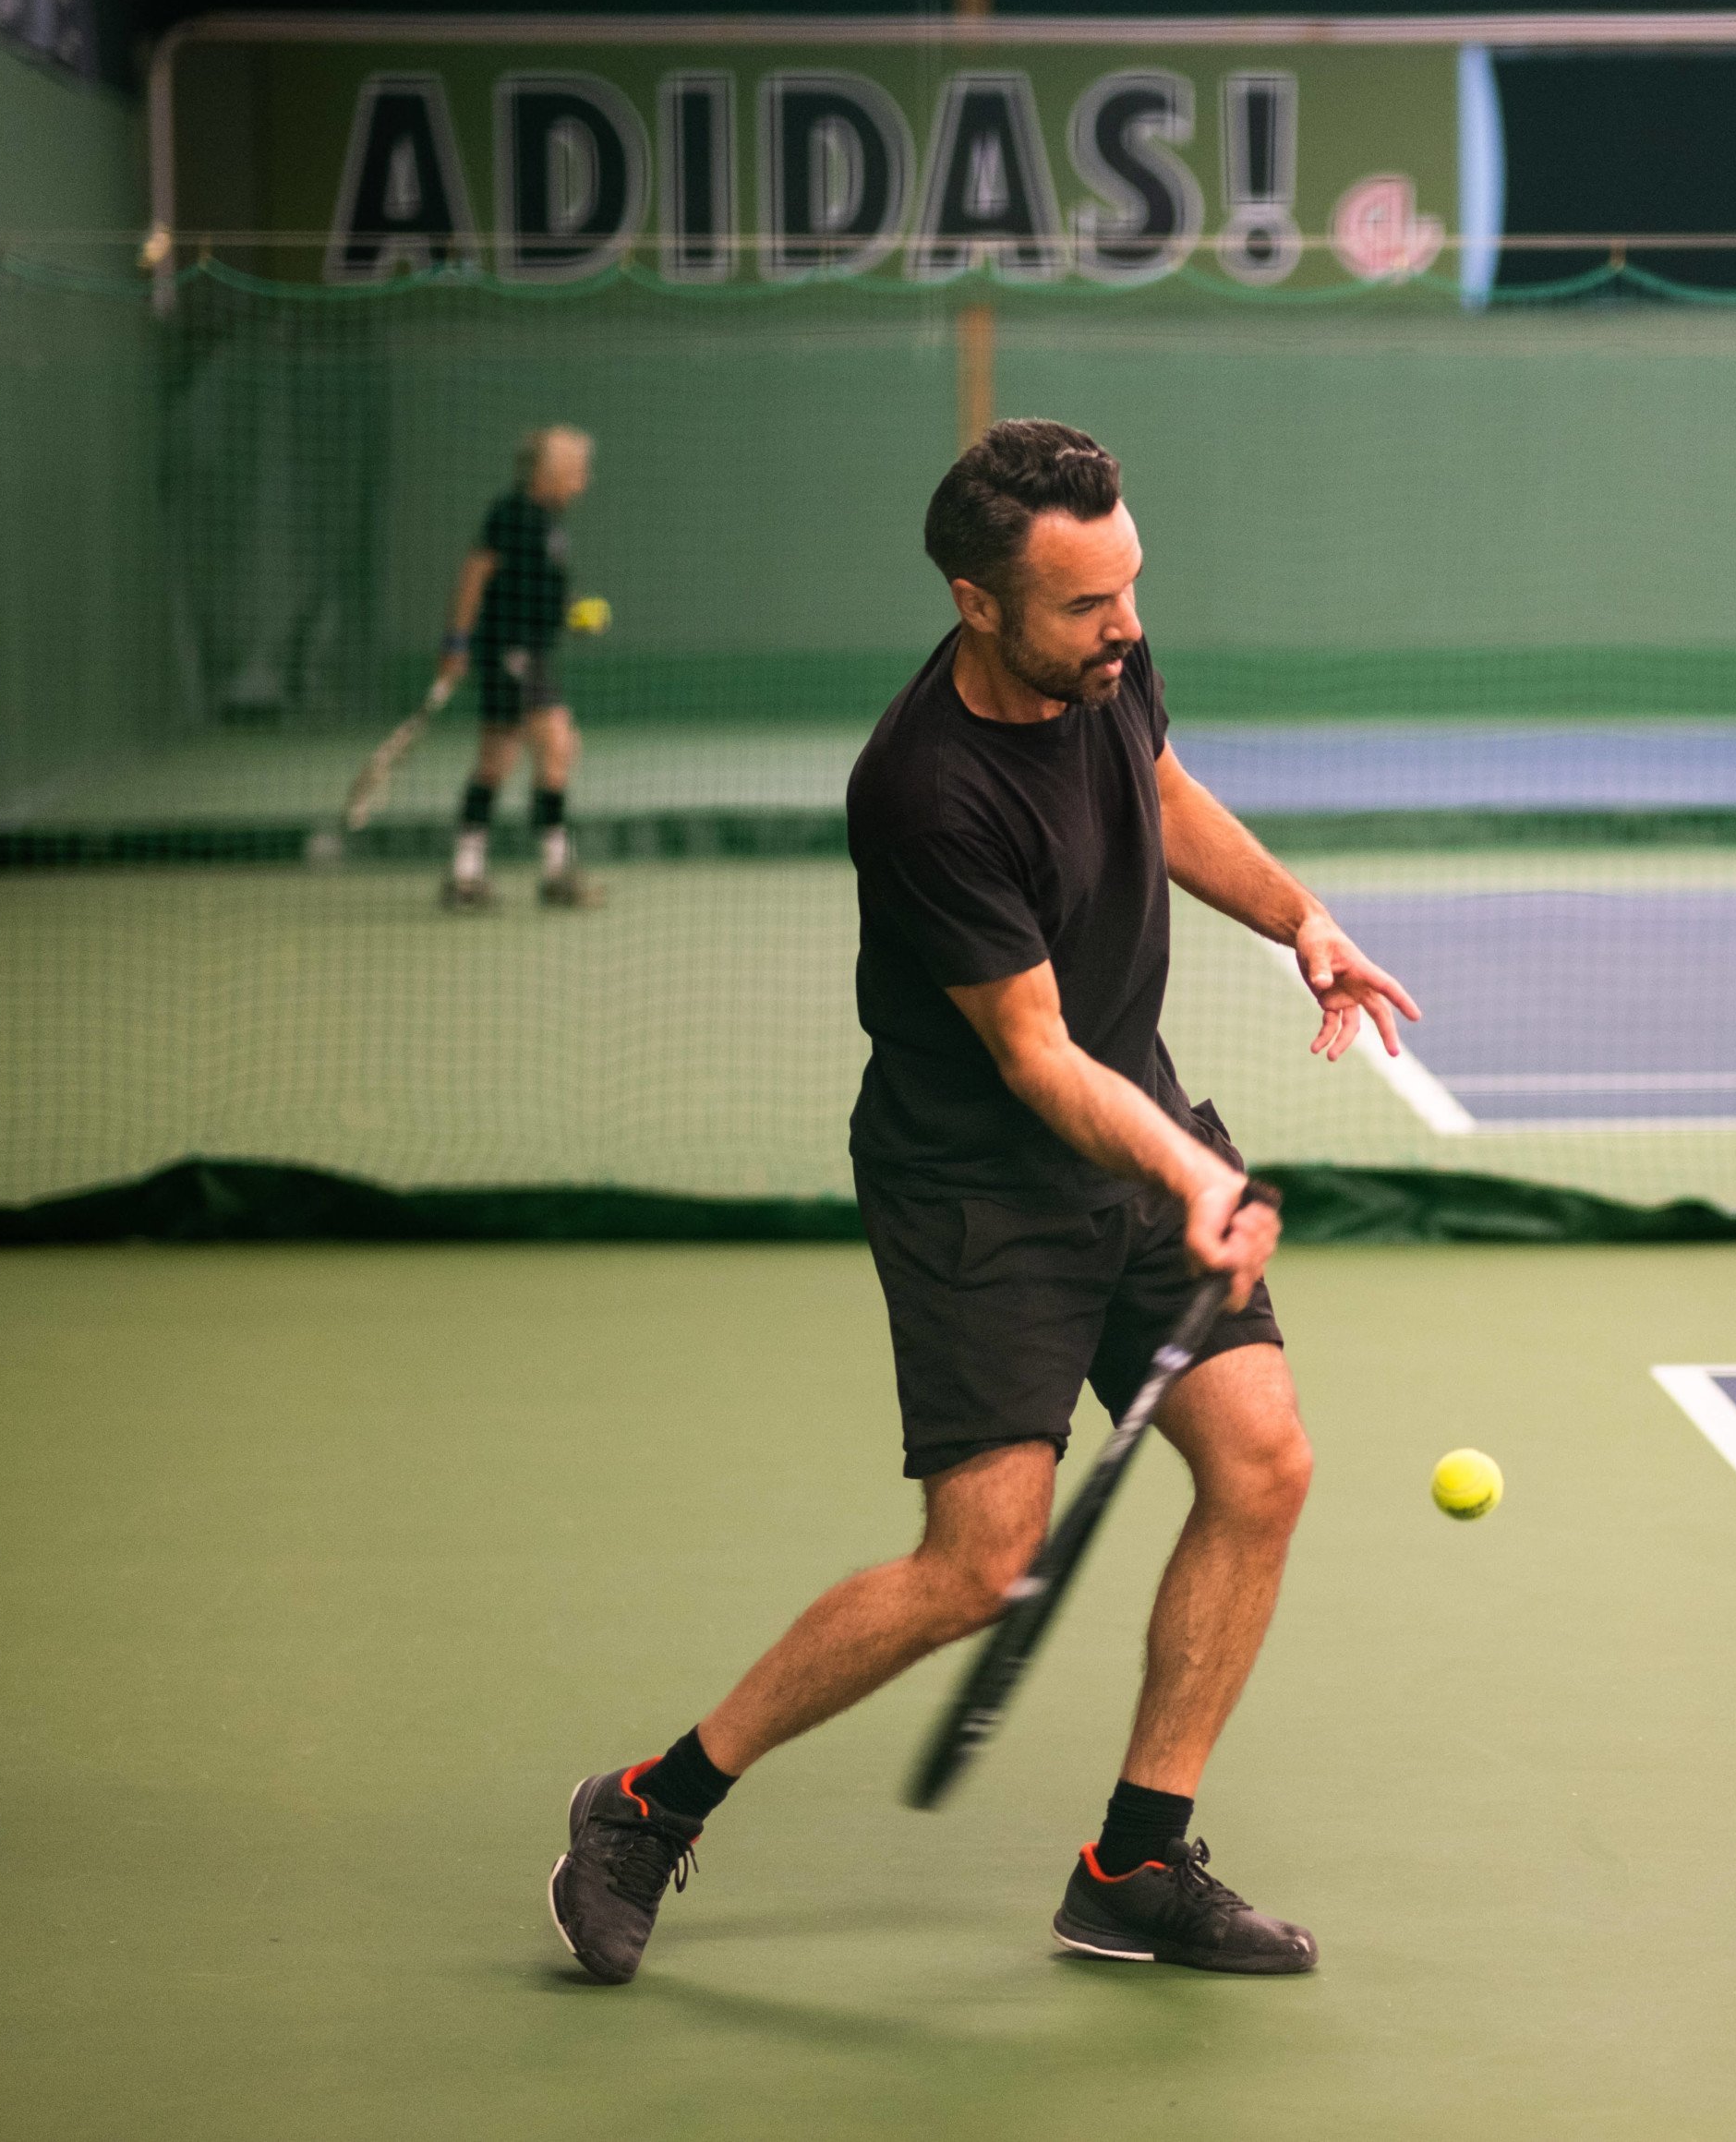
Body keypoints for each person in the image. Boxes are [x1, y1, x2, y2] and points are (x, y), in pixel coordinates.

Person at [548, 419, 1421, 1983]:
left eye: (1129, 588)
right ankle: (642, 1805)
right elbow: (1029, 1057)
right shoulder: (921, 790)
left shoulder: (1105, 661)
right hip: (980, 1191)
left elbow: (1158, 792)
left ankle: (1134, 1865)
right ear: (977, 600)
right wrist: (1196, 1173)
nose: (1125, 627)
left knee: (1262, 1462)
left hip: (1135, 1135)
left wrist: (1300, 918)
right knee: (974, 1565)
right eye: (1085, 605)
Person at [439, 425, 600, 911]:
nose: (581, 483)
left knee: (498, 759)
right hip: (510, 650)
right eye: (574, 472)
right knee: (556, 743)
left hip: (530, 649)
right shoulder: (511, 515)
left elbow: (538, 589)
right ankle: (555, 872)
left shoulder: (549, 524)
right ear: (550, 472)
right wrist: (455, 642)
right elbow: (474, 575)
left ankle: (466, 875)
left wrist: (573, 614)